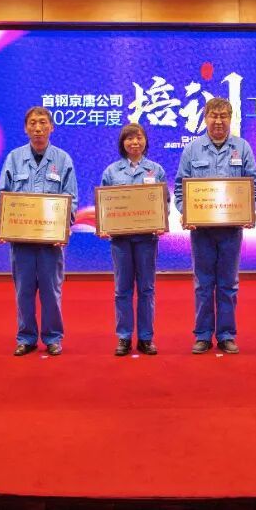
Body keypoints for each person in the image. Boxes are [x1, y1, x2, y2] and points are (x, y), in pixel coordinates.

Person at [174, 97, 256, 355]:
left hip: (231, 231)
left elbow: (253, 186)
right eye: (214, 115)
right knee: (203, 284)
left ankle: (226, 335)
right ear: (206, 118)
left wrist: (248, 210)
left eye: (224, 116)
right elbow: (180, 188)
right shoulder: (192, 149)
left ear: (230, 119)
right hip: (201, 231)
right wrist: (186, 212)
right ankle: (202, 335)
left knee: (228, 284)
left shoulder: (242, 147)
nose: (219, 121)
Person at [0, 107, 77, 357]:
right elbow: (3, 196)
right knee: (23, 291)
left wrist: (64, 226)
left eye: (43, 122)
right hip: (21, 241)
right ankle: (26, 337)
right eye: (33, 123)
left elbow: (71, 199)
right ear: (25, 128)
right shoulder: (14, 158)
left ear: (52, 127)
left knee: (51, 291)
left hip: (50, 243)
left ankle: (53, 337)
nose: (38, 128)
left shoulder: (62, 159)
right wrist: (2, 223)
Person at [99, 123, 168, 356]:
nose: (134, 142)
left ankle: (146, 338)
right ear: (123, 143)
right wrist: (104, 224)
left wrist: (162, 221)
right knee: (122, 289)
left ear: (145, 141)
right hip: (120, 241)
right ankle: (124, 337)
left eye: (138, 137)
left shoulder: (156, 170)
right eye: (129, 138)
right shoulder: (111, 172)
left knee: (147, 289)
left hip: (147, 240)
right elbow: (105, 205)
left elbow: (164, 202)